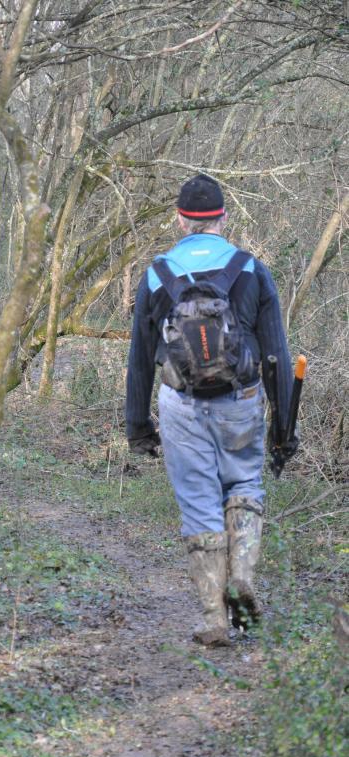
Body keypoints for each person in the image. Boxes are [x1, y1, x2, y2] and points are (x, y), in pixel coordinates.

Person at [126, 173, 298, 647]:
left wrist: (137, 427)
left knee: (198, 501)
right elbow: (276, 355)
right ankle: (241, 575)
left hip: (181, 406)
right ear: (223, 217)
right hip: (241, 402)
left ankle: (212, 619)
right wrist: (285, 427)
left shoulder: (157, 273)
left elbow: (140, 357)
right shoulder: (251, 269)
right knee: (244, 483)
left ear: (181, 220)